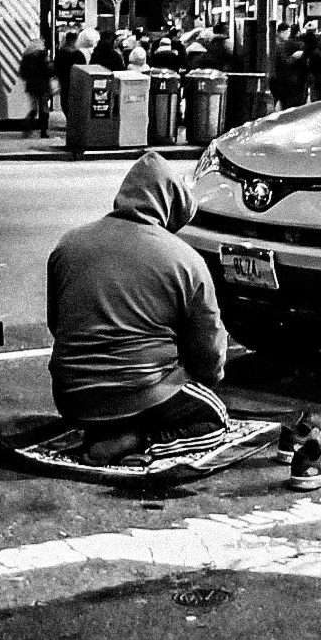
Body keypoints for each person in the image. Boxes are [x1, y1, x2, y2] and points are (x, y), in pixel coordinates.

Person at [47, 152, 230, 466]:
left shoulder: (68, 244)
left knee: (124, 401)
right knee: (216, 418)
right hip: (141, 395)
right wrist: (196, 378)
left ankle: (101, 431)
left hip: (70, 398)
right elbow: (209, 352)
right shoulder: (184, 260)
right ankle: (140, 441)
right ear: (171, 206)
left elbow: (57, 323)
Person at [17, 42, 53, 136]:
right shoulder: (43, 56)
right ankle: (44, 131)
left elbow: (22, 73)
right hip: (44, 86)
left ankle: (27, 127)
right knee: (44, 108)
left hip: (32, 86)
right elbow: (48, 70)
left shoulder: (26, 57)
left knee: (34, 108)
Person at [269, 24, 308, 108]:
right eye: (287, 32)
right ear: (281, 32)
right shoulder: (278, 46)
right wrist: (294, 57)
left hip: (278, 79)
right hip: (280, 80)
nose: (289, 35)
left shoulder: (278, 44)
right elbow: (284, 62)